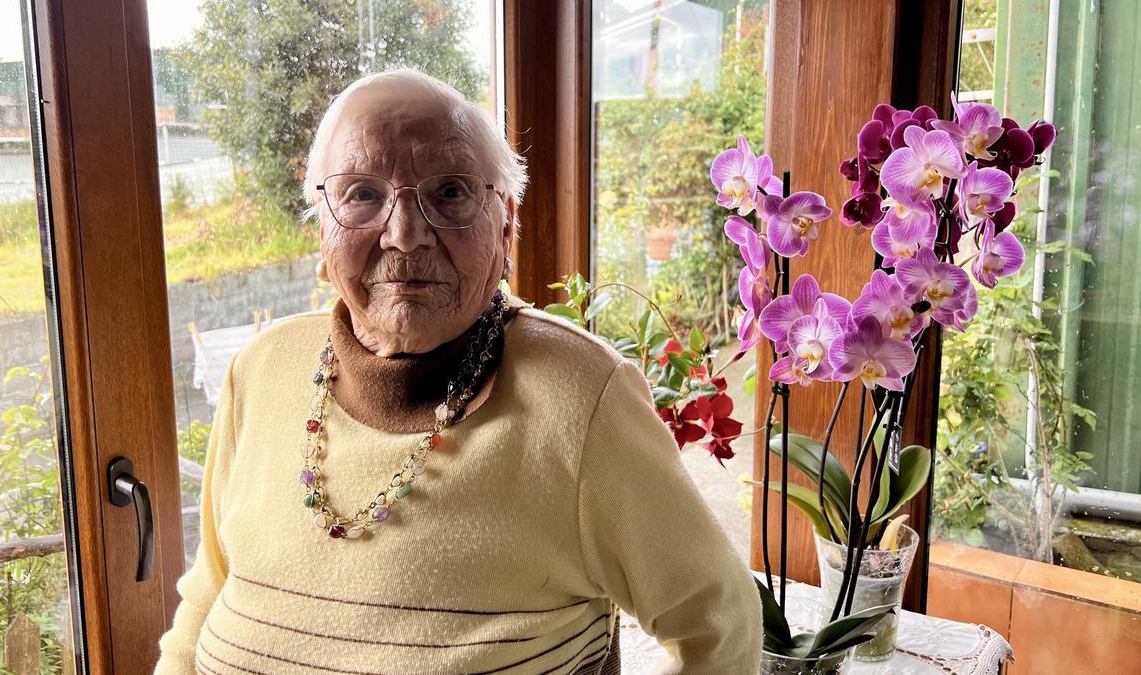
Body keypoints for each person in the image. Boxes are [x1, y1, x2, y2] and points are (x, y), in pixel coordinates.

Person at [154, 69, 762, 675]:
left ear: (506, 222)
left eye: (449, 192)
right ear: (322, 226)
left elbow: (720, 625)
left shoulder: (580, 395)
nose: (405, 233)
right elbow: (208, 595)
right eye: (362, 194)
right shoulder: (259, 371)